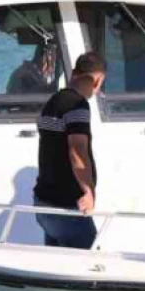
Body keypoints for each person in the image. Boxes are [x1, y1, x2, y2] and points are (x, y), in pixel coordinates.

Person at [33, 52, 106, 249]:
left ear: (74, 73)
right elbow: (77, 152)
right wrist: (88, 191)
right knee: (91, 262)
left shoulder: (52, 102)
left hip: (43, 203)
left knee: (57, 264)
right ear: (97, 81)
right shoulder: (77, 106)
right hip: (65, 206)